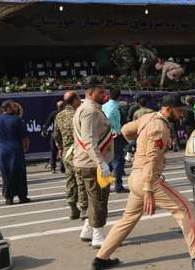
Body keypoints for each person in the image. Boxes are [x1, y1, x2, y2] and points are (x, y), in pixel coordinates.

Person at [92, 94, 195, 270]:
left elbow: (125, 130)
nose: (182, 115)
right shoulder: (159, 128)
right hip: (148, 178)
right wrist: (148, 189)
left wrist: (139, 142)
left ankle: (101, 259)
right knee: (186, 210)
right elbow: (152, 159)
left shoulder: (148, 117)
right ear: (168, 109)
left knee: (128, 219)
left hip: (135, 177)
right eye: (179, 111)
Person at [73, 76, 115, 248]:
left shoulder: (89, 108)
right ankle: (98, 236)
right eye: (100, 91)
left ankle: (87, 230)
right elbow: (89, 141)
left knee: (93, 199)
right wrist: (101, 163)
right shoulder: (90, 111)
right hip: (92, 165)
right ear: (90, 92)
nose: (104, 94)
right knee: (99, 200)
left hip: (87, 162)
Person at [0, 100, 30, 205]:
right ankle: (22, 196)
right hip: (16, 149)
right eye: (13, 107)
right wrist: (26, 147)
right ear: (7, 108)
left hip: (2, 150)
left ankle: (8, 197)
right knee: (19, 174)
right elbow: (24, 136)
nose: (15, 108)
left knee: (6, 174)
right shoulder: (17, 120)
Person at [54, 91, 87, 220]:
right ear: (74, 100)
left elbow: (56, 135)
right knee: (81, 180)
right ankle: (84, 208)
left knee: (70, 179)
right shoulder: (80, 113)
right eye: (78, 98)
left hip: (67, 152)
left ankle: (73, 207)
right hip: (80, 150)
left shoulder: (59, 115)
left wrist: (60, 147)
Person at [102, 88, 128, 193]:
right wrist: (113, 128)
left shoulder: (104, 106)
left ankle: (105, 185)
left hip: (105, 137)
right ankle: (118, 186)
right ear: (119, 97)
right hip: (114, 136)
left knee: (108, 161)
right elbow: (107, 119)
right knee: (118, 161)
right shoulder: (114, 107)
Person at [43, 100, 65, 174]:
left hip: (55, 134)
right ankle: (62, 167)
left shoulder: (53, 113)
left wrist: (44, 130)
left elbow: (47, 123)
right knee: (63, 151)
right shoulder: (65, 113)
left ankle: (53, 168)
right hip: (62, 134)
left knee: (54, 151)